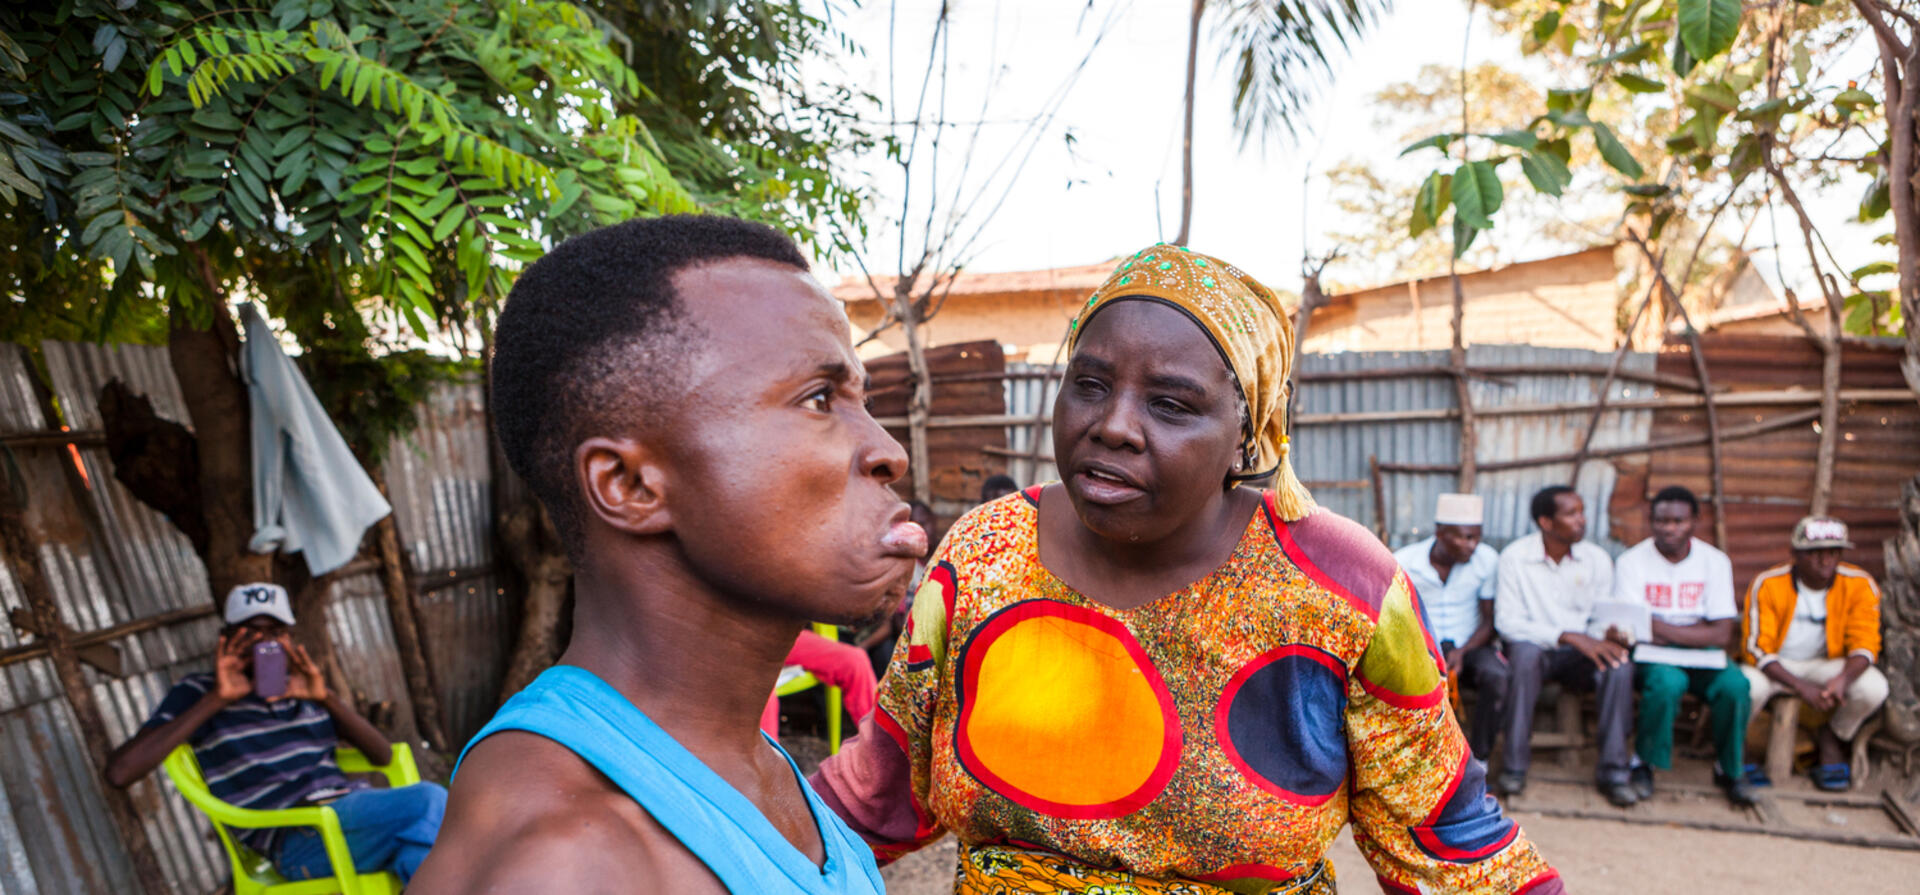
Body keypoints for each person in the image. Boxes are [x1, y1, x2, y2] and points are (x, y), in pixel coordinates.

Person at [813, 244, 1559, 894]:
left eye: (1171, 403)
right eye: (1091, 383)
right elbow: (882, 786)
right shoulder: (986, 553)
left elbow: (1448, 841)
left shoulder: (1337, 587)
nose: (1113, 424)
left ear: (1246, 434)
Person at [410, 216, 918, 893]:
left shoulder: (730, 755)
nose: (888, 450)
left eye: (863, 398)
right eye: (820, 399)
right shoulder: (572, 866)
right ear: (630, 485)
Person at [104, 583, 446, 884]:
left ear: (290, 639)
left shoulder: (305, 690)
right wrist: (216, 700)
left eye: (277, 632)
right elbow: (121, 771)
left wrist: (325, 697)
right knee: (431, 803)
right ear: (228, 638)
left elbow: (383, 757)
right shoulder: (198, 692)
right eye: (253, 631)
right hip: (299, 838)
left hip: (351, 819)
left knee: (425, 843)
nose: (266, 642)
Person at [1494, 485, 1637, 806]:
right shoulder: (1515, 558)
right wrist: (1567, 635)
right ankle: (1514, 768)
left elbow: (1601, 617)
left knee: (1619, 665)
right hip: (1537, 650)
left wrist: (1610, 633)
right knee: (1524, 657)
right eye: (1571, 514)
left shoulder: (1597, 559)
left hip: (1581, 655)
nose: (1581, 520)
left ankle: (1614, 772)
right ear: (1546, 522)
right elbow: (1508, 622)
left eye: (1582, 511)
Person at [1611, 486, 1754, 806]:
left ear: (1695, 521)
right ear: (1652, 521)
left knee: (1736, 686)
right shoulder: (1632, 562)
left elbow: (1722, 635)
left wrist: (1658, 627)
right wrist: (1695, 629)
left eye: (1678, 521)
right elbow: (1632, 627)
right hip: (1652, 654)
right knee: (1666, 683)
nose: (1669, 528)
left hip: (1704, 654)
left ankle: (1730, 768)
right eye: (1661, 521)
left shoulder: (1714, 561)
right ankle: (1644, 763)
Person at [1739, 516, 1890, 792]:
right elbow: (1756, 649)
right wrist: (1801, 687)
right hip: (1775, 664)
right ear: (1795, 554)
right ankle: (1737, 747)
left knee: (1873, 687)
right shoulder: (1769, 583)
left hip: (1825, 664)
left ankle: (1833, 736)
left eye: (1833, 552)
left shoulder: (1859, 584)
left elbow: (1865, 645)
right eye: (1815, 553)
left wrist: (1843, 679)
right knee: (1745, 688)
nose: (1825, 561)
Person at [1394, 492, 1506, 761]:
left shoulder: (1486, 560)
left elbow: (1489, 619)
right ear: (1440, 532)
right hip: (1421, 646)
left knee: (1498, 677)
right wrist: (1428, 652)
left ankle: (1480, 759)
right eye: (1464, 537)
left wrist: (1463, 652)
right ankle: (1416, 761)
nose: (1472, 545)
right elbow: (1396, 619)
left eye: (1476, 537)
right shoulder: (1405, 561)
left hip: (1470, 645)